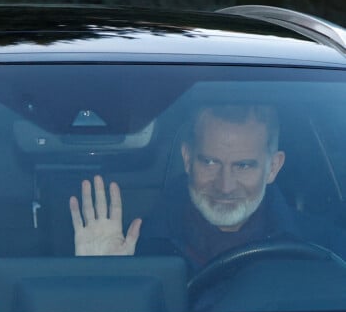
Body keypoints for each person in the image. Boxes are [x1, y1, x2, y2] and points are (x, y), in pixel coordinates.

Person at [70, 104, 345, 273]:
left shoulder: (329, 252)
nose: (225, 186)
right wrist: (100, 279)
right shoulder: (136, 248)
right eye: (211, 162)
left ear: (273, 167)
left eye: (244, 166)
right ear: (188, 158)